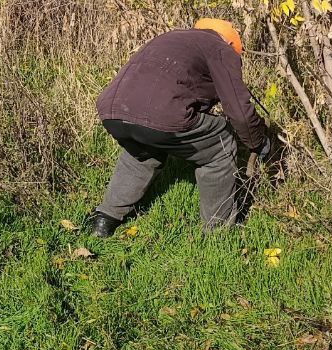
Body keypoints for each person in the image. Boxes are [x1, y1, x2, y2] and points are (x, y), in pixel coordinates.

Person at [85, 18, 271, 236]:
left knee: (142, 153)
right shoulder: (221, 48)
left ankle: (104, 220)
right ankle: (218, 231)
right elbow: (239, 111)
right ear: (231, 44)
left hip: (111, 110)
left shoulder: (173, 38)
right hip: (161, 113)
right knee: (220, 145)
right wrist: (257, 141)